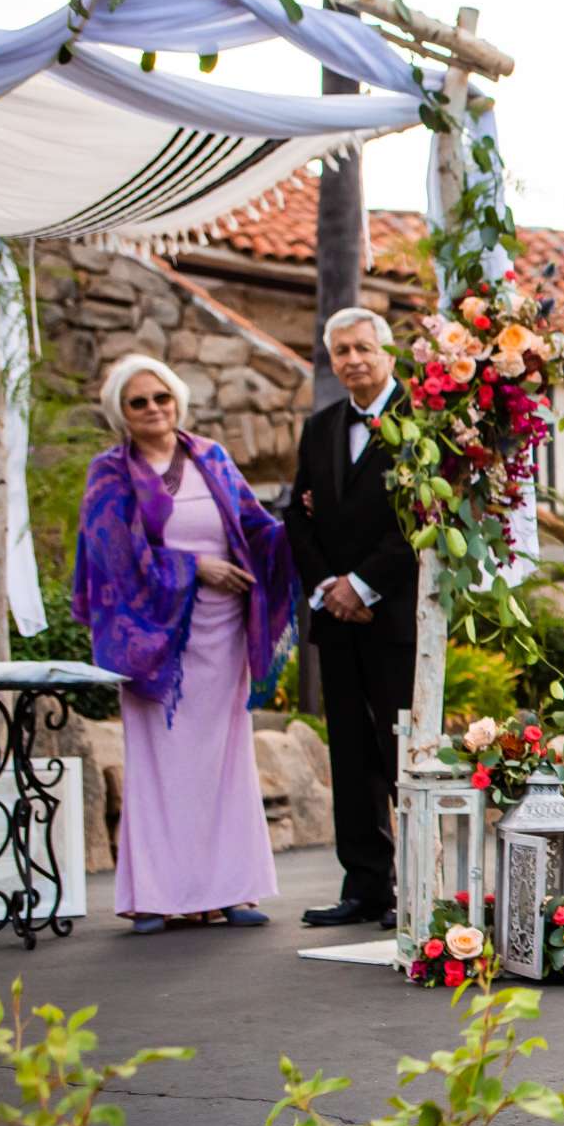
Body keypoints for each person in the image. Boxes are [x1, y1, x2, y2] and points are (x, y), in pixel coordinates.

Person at [72, 355, 298, 934]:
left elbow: (255, 527)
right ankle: (156, 896)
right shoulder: (110, 472)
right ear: (120, 414)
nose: (153, 409)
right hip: (155, 641)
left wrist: (306, 526)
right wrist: (196, 567)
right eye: (138, 402)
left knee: (225, 762)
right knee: (160, 766)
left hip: (223, 635)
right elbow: (111, 558)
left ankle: (233, 889)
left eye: (161, 398)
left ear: (178, 401)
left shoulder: (212, 458)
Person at [287, 307, 416, 930]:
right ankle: (366, 886)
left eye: (362, 347)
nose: (352, 360)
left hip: (396, 618)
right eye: (341, 351)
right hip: (335, 619)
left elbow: (422, 525)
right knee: (349, 754)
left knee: (402, 750)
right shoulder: (319, 428)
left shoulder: (427, 424)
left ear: (387, 353)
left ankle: (419, 885)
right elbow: (297, 517)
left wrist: (364, 586)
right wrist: (328, 589)